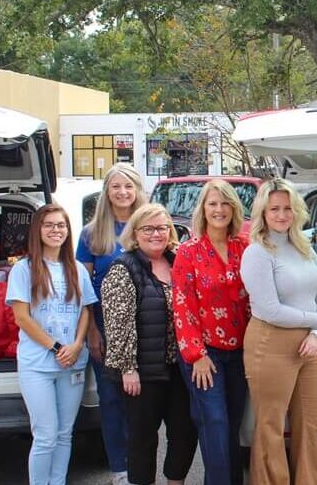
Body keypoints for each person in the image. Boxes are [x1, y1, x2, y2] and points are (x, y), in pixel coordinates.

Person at [241, 178, 317, 485]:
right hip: (271, 343)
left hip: (311, 345)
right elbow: (270, 309)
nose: (281, 215)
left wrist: (316, 335)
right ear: (263, 213)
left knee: (313, 427)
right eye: (274, 209)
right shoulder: (257, 253)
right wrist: (315, 322)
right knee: (271, 429)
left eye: (287, 208)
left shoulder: (306, 249)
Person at [101, 204, 198, 485]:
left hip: (180, 367)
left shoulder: (178, 261)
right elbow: (118, 324)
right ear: (135, 233)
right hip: (143, 372)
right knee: (143, 438)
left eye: (162, 227)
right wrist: (128, 368)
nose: (156, 234)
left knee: (184, 432)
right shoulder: (124, 268)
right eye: (148, 228)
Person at [7, 204, 97, 485]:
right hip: (39, 365)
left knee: (64, 433)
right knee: (45, 435)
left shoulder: (77, 269)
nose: (56, 230)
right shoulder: (23, 269)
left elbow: (86, 310)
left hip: (72, 364)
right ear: (37, 230)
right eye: (49, 225)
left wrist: (78, 344)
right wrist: (57, 347)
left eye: (61, 225)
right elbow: (22, 317)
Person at [172, 180, 252, 485]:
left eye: (224, 203)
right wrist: (196, 356)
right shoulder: (189, 251)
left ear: (233, 208)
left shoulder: (245, 247)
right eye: (212, 204)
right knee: (214, 424)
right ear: (203, 209)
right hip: (205, 355)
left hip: (241, 354)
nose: (219, 210)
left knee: (231, 429)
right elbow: (183, 307)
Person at [76, 162, 147, 485]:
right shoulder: (92, 234)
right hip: (103, 328)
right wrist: (91, 331)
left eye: (128, 186)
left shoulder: (148, 226)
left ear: (137, 190)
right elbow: (82, 288)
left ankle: (141, 465)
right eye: (116, 187)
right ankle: (120, 469)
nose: (122, 192)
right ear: (107, 191)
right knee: (112, 401)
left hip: (145, 327)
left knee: (142, 401)